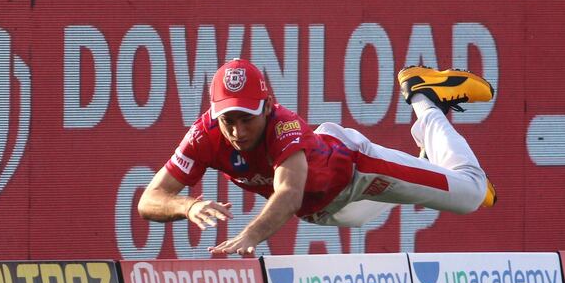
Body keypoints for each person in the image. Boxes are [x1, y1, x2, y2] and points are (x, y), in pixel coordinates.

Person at [138, 58, 496, 256]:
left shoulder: (283, 125)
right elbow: (148, 201)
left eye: (247, 118)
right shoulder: (204, 134)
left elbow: (289, 194)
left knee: (471, 194)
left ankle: (422, 96)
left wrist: (250, 235)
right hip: (329, 212)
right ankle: (432, 163)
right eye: (228, 120)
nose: (237, 131)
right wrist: (187, 207)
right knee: (427, 188)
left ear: (268, 105)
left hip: (358, 171)